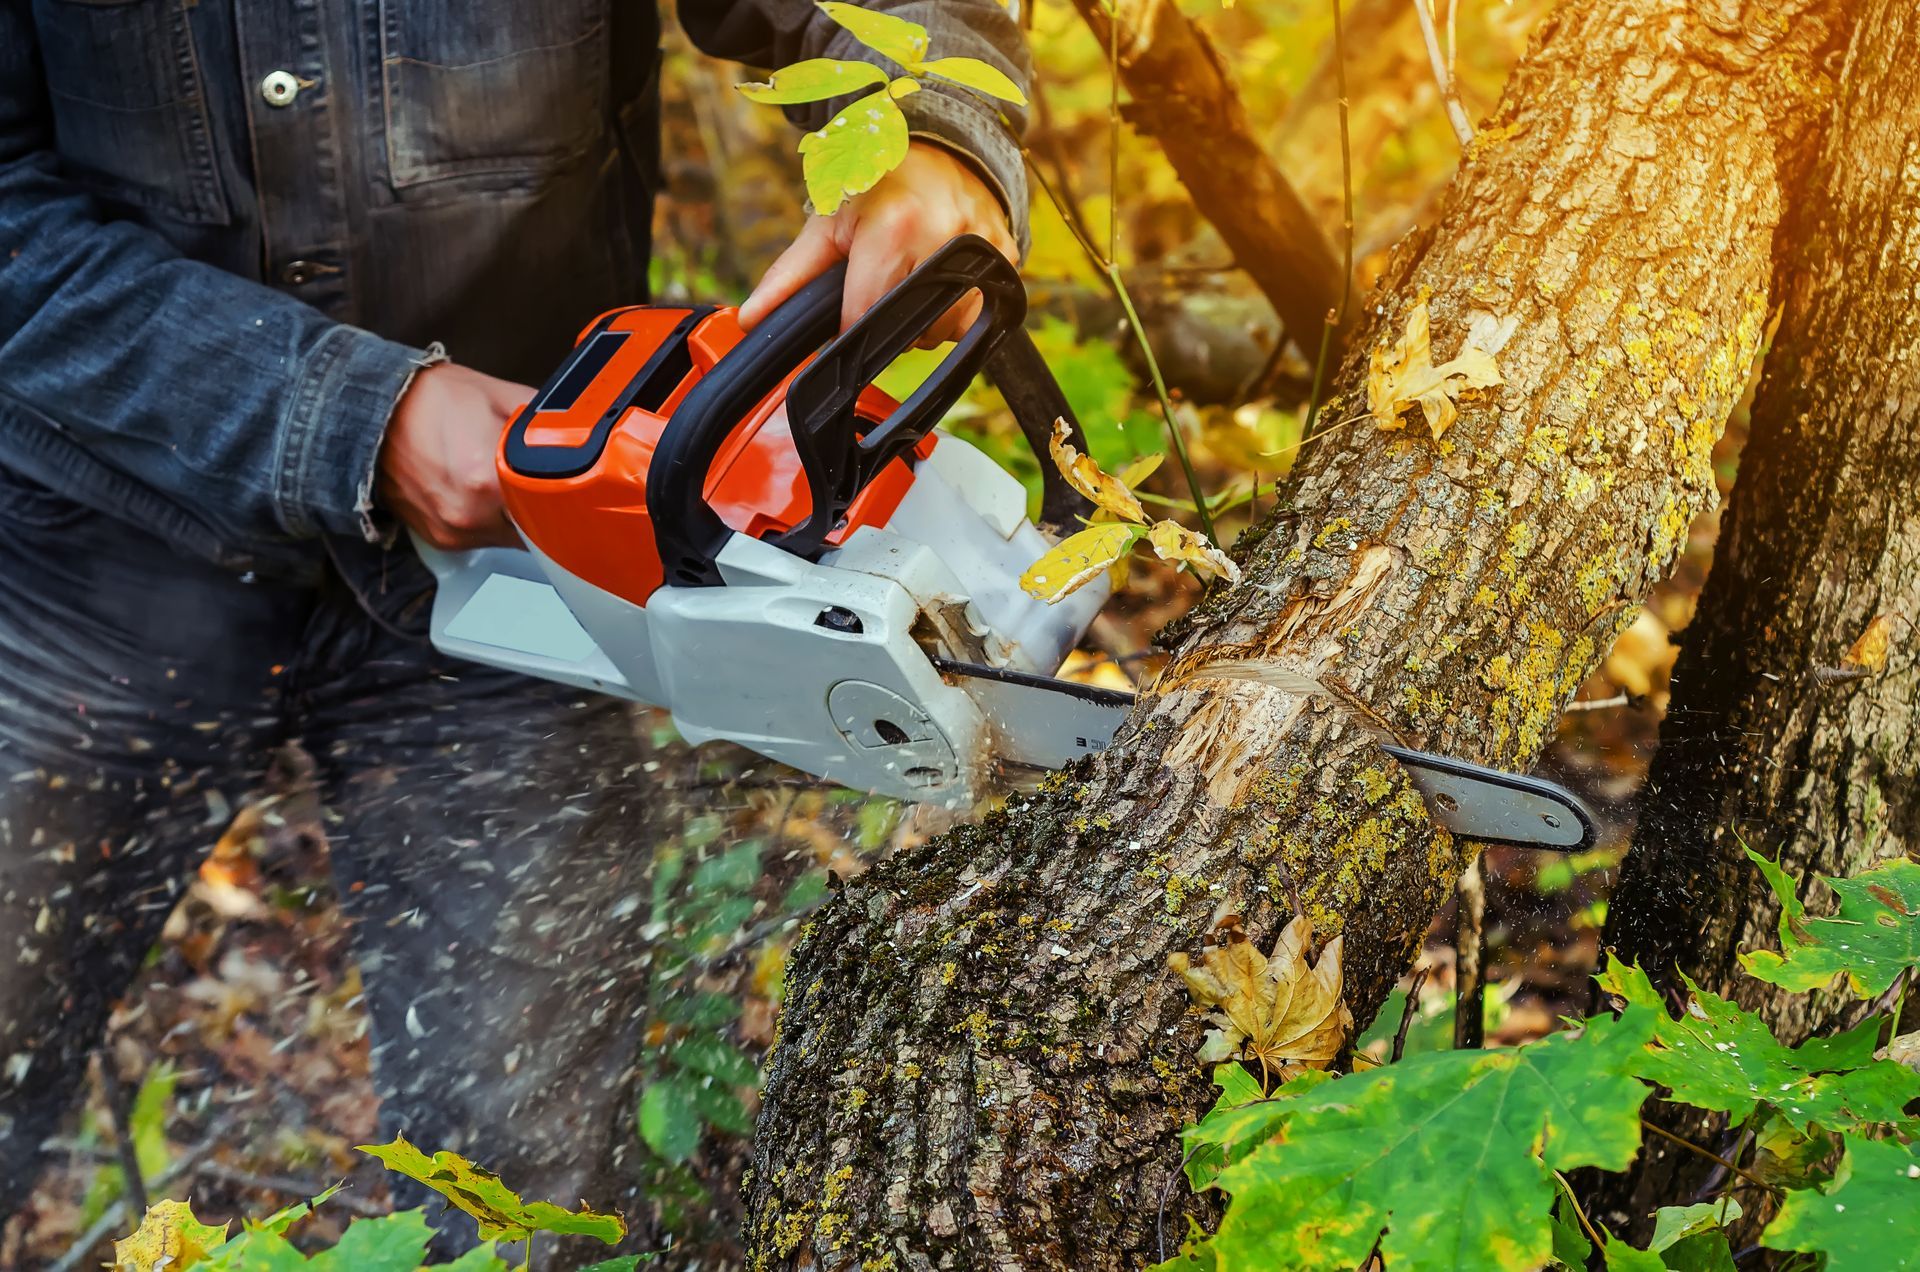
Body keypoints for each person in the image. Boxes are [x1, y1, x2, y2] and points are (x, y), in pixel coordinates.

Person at [0, 0, 1028, 1259]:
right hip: (89, 535)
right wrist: (351, 414)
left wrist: (930, 133)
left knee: (526, 1166)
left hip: (533, 543)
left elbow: (881, 15)